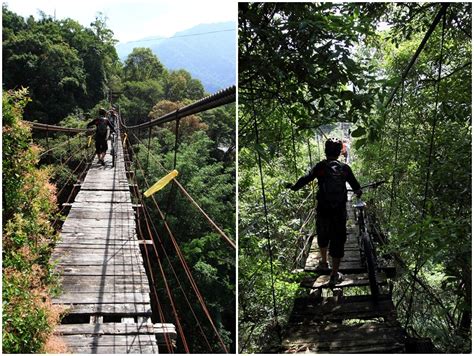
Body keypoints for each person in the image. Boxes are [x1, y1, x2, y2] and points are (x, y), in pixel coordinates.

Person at [286, 138, 362, 285]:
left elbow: (306, 178)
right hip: (339, 210)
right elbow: (356, 186)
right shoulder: (345, 169)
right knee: (338, 239)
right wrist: (358, 192)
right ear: (340, 152)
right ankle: (334, 274)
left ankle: (324, 262)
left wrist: (294, 187)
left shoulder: (320, 167)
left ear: (326, 151)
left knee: (322, 234)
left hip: (323, 208)